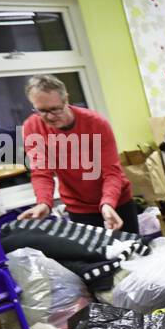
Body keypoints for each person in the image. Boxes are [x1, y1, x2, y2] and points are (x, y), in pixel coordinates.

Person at [18, 74, 137, 233]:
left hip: (117, 203)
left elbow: (111, 171)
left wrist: (108, 203)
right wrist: (44, 203)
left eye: (55, 109)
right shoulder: (32, 127)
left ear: (65, 99)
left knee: (133, 251)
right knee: (96, 256)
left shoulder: (95, 123)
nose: (50, 117)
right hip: (79, 208)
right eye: (42, 111)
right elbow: (41, 172)